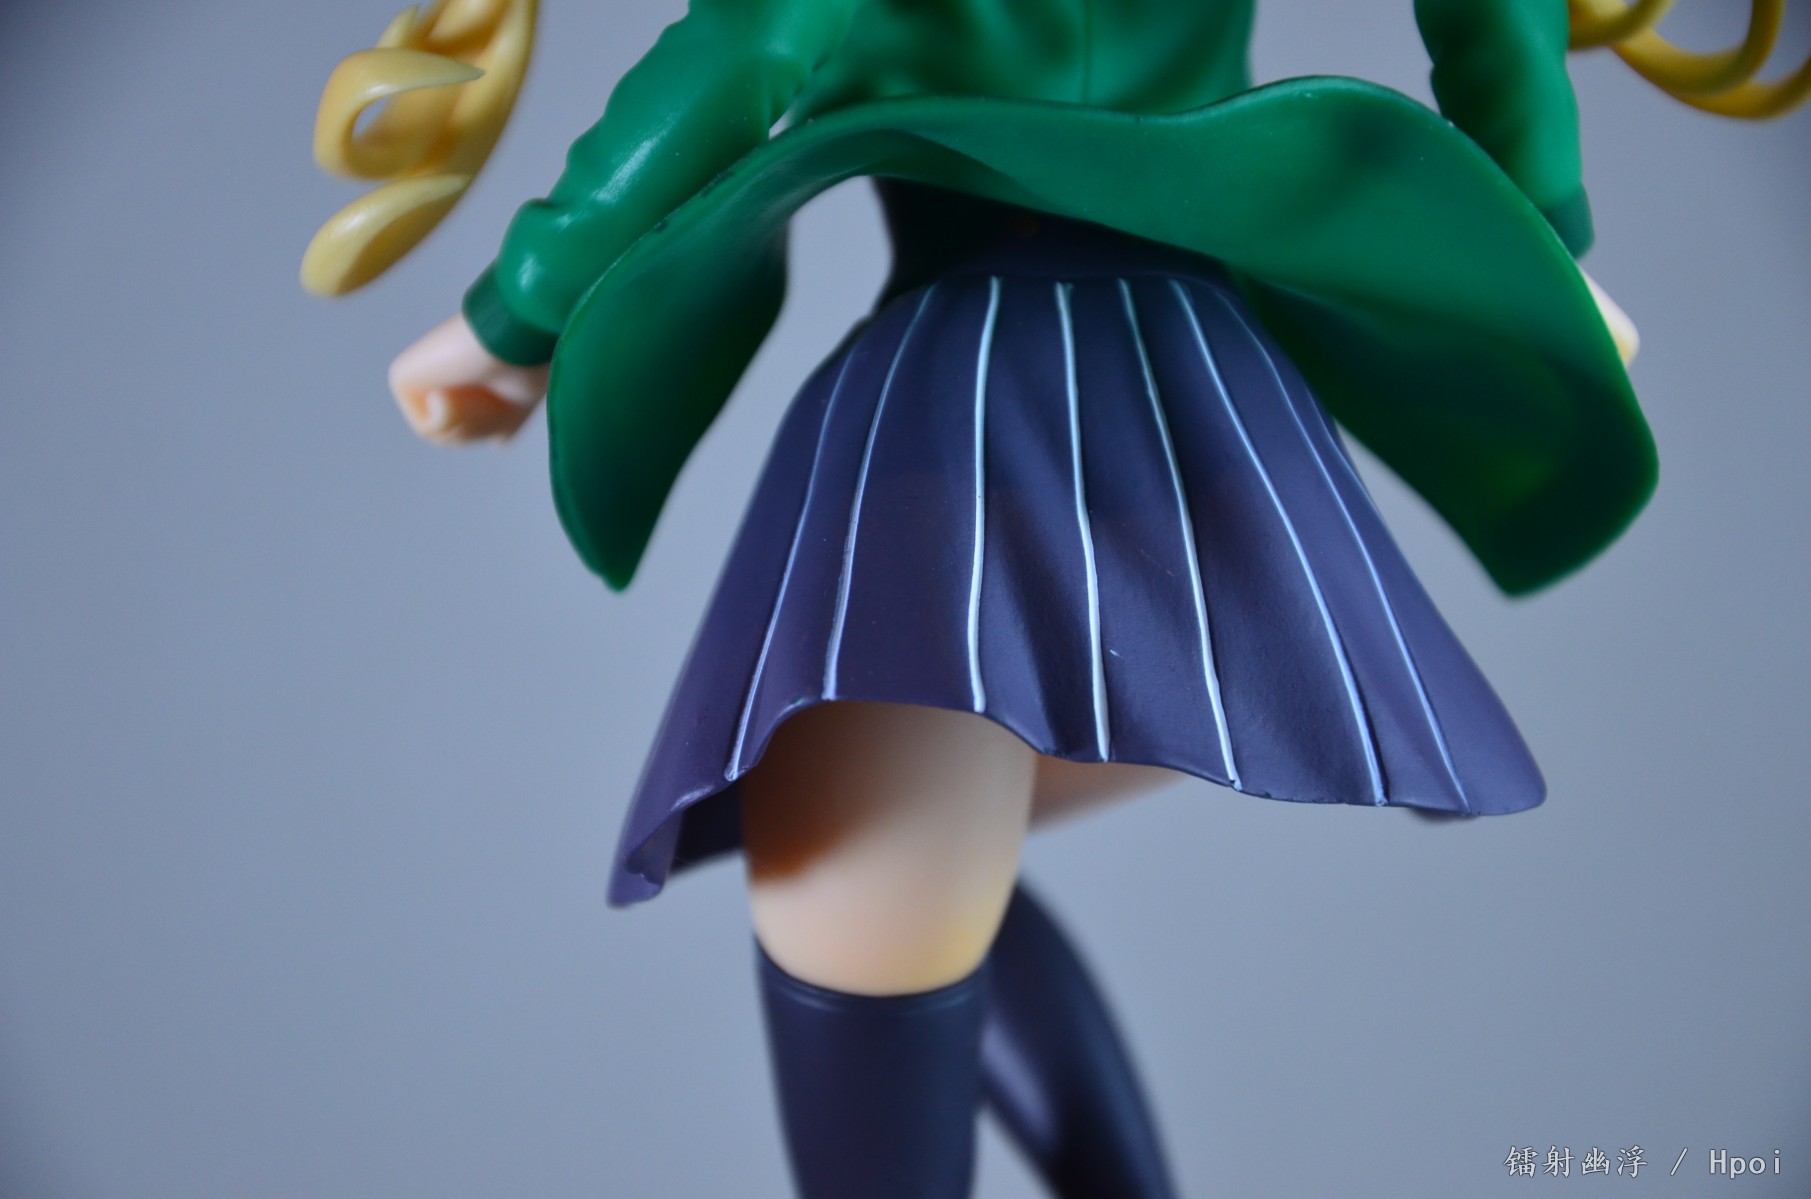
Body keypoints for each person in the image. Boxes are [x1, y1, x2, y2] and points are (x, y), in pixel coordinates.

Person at [342, 1, 1663, 1195]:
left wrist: (518, 314)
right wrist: (1542, 237)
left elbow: (747, 43)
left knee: (851, 899)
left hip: (982, 396)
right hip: (1197, 408)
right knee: (906, 878)